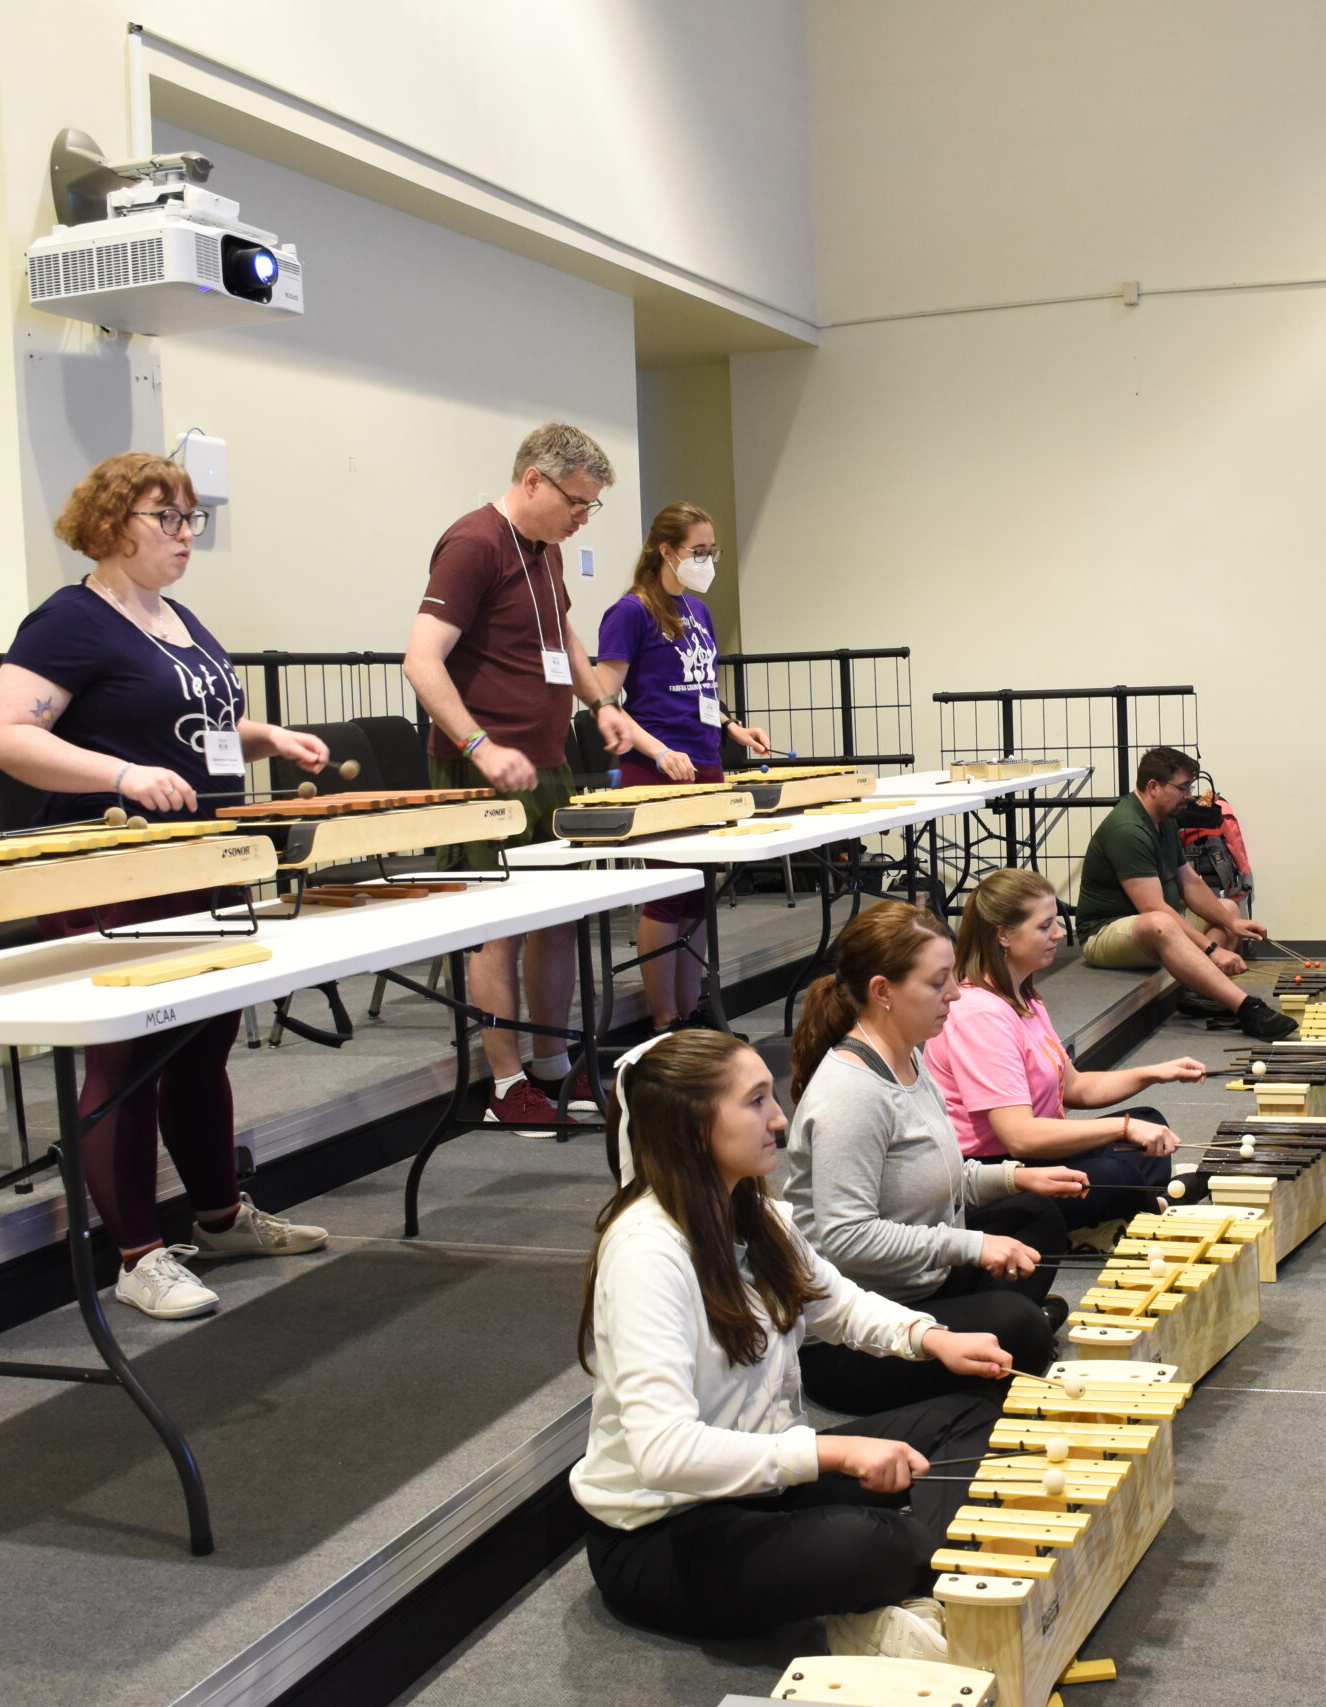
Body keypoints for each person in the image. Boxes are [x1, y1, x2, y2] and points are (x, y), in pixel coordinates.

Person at [0, 451, 329, 1321]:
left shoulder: (178, 617)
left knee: (202, 1044)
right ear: (110, 524)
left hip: (200, 860)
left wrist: (267, 739)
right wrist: (121, 774)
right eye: (164, 517)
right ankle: (137, 1255)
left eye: (190, 518)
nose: (184, 535)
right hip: (113, 867)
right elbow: (5, 737)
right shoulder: (69, 620)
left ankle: (219, 1217)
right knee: (128, 1056)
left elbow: (195, 729)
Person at [571, 1029, 1015, 1657]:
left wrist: (930, 1337)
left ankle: (918, 1574)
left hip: (763, 1489)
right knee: (868, 1544)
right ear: (692, 1126)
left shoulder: (757, 1213)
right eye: (756, 1101)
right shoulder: (646, 1254)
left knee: (975, 1414)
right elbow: (663, 1454)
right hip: (661, 1532)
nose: (779, 1118)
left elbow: (838, 1304)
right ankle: (913, 1563)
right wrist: (833, 1454)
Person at [404, 424, 640, 1136]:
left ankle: (551, 1065)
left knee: (557, 919)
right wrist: (478, 746)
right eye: (577, 501)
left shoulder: (546, 549)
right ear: (534, 480)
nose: (583, 517)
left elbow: (562, 636)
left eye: (591, 506)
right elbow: (421, 660)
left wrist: (600, 704)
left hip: (546, 761)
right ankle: (504, 1085)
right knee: (496, 928)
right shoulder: (473, 543)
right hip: (482, 771)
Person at [782, 900, 1089, 1413]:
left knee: (1036, 1215)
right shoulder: (851, 1094)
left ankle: (993, 1338)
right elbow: (846, 1237)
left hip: (921, 1284)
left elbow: (938, 1175)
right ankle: (1000, 1338)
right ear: (883, 991)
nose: (955, 993)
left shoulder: (909, 1054)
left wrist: (1016, 1178)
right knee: (1020, 1327)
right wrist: (971, 1245)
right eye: (937, 981)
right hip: (857, 1331)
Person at [927, 869, 1210, 1232]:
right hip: (999, 1172)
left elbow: (1074, 1088)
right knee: (1115, 1172)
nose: (1059, 933)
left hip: (1036, 1153)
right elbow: (1020, 1137)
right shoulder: (980, 1014)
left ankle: (1140, 1207)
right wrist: (1122, 1128)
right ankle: (1144, 1205)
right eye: (1045, 926)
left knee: (1149, 1122)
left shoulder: (1023, 996)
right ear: (1004, 935)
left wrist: (1154, 1073)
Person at [597, 503, 771, 1031]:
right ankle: (663, 1019)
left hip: (704, 763)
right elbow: (605, 700)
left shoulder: (697, 611)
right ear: (666, 551)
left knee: (699, 895)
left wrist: (732, 727)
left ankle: (690, 1011)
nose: (706, 560)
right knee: (666, 895)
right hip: (657, 769)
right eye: (698, 551)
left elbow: (701, 689)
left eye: (712, 551)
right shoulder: (629, 612)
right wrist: (656, 751)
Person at [1073, 747, 1296, 1042]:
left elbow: (1189, 881)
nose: (1188, 796)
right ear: (1153, 786)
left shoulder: (1164, 819)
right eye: (1182, 788)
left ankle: (1199, 992)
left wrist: (1232, 924)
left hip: (1152, 923)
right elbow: (1154, 908)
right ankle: (1246, 1008)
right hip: (1104, 934)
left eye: (1189, 787)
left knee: (1228, 909)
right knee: (1161, 922)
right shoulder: (1128, 829)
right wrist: (1212, 950)